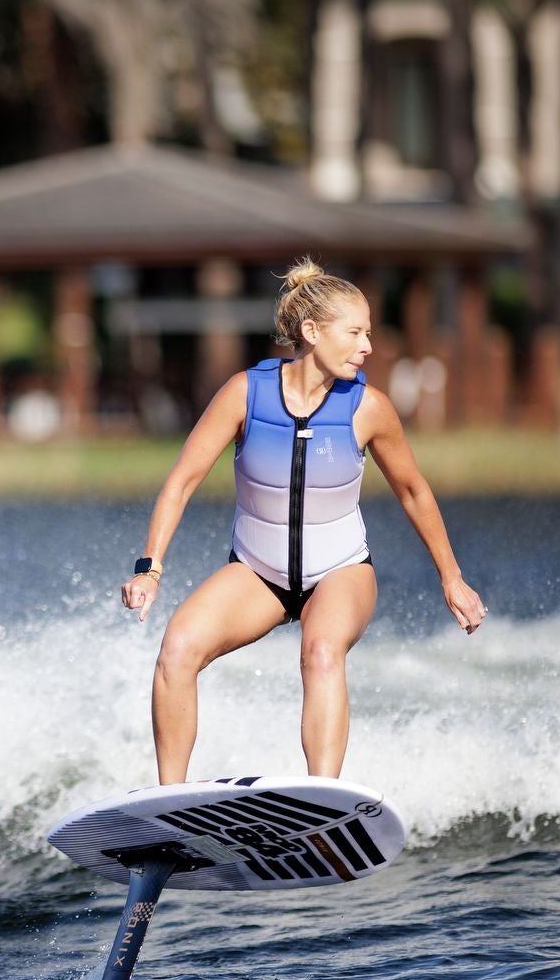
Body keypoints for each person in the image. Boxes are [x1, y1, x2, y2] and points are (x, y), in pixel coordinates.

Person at [120, 259, 486, 785]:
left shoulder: (369, 409)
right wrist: (149, 568)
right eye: (355, 332)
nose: (367, 347)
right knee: (177, 648)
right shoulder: (246, 393)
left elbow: (413, 491)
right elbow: (182, 479)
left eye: (368, 333)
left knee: (319, 653)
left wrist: (452, 579)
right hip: (257, 574)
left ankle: (323, 801)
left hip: (340, 571)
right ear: (312, 332)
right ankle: (169, 805)